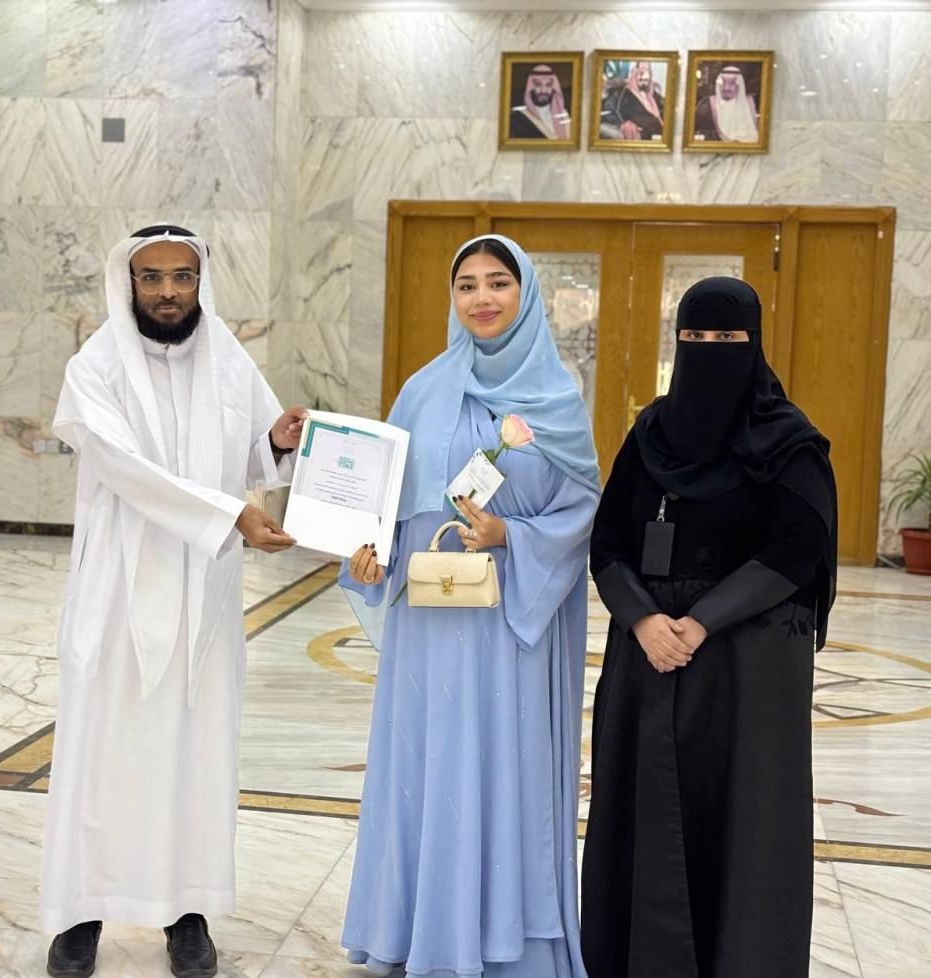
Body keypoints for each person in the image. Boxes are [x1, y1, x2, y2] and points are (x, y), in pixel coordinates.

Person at [40, 224, 307, 978]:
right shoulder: (95, 366)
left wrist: (278, 442)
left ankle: (187, 913)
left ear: (200, 282)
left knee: (195, 753)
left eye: (181, 276)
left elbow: (251, 453)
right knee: (101, 751)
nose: (167, 292)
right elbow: (125, 469)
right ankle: (80, 915)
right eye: (151, 277)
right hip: (117, 591)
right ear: (128, 284)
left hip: (203, 594)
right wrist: (230, 515)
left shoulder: (228, 361)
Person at [341, 235, 600, 978]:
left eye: (498, 283)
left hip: (508, 624)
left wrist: (510, 535)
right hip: (427, 624)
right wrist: (368, 557)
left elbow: (582, 510)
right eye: (466, 285)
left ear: (526, 294)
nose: (481, 298)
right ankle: (415, 935)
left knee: (499, 767)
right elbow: (387, 501)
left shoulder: (557, 400)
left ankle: (507, 946)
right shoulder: (422, 392)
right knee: (427, 766)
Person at [580, 277, 837, 978]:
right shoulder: (649, 436)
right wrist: (642, 618)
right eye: (694, 337)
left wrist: (700, 622)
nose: (709, 350)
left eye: (727, 338)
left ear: (755, 343)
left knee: (741, 819)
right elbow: (608, 540)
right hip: (648, 659)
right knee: (646, 812)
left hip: (744, 669)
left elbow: (799, 549)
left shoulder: (789, 443)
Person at [600, 61, 665, 141]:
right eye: (641, 72)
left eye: (647, 72)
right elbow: (607, 113)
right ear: (634, 73)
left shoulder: (654, 95)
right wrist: (623, 124)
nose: (644, 77)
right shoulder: (621, 93)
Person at [693, 65, 759, 142]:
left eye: (732, 83)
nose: (726, 88)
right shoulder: (706, 105)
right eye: (723, 83)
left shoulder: (749, 104)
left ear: (739, 85)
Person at [509, 64, 572, 140]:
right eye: (538, 85)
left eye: (548, 85)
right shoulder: (520, 115)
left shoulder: (563, 113)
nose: (543, 90)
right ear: (531, 87)